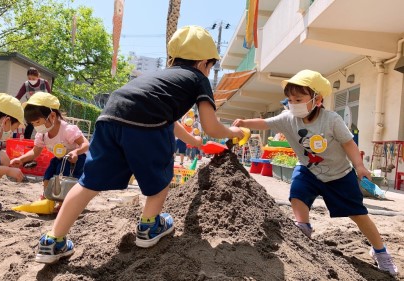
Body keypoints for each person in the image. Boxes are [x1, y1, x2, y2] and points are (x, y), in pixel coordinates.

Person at [33, 25, 245, 264]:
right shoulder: (197, 78)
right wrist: (234, 131)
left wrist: (192, 140)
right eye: (210, 66)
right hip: (146, 123)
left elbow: (165, 117)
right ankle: (149, 226)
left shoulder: (161, 78)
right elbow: (211, 126)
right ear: (204, 62)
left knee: (88, 183)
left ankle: (53, 241)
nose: (208, 71)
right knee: (160, 175)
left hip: (110, 116)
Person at [232, 69, 399, 276]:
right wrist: (243, 123)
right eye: (290, 99)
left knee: (358, 214)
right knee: (297, 192)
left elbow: (348, 144)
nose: (293, 103)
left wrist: (360, 166)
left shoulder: (331, 120)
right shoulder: (288, 118)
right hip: (309, 170)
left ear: (317, 99)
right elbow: (265, 123)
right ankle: (303, 226)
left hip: (339, 175)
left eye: (299, 98)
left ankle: (380, 252)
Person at [10, 92, 89, 201]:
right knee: (48, 175)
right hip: (59, 158)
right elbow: (35, 152)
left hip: (76, 159)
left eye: (38, 122)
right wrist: (21, 159)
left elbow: (85, 144)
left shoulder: (67, 130)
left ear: (52, 116)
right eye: (33, 124)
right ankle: (47, 196)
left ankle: (64, 201)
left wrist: (76, 152)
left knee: (63, 177)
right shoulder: (42, 134)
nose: (36, 126)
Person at [15, 67, 52, 140]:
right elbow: (18, 97)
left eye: (33, 79)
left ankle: (47, 140)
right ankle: (26, 140)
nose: (31, 80)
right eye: (29, 78)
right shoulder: (26, 85)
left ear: (38, 76)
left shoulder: (44, 83)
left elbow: (50, 96)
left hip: (43, 107)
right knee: (30, 125)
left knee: (45, 126)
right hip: (32, 108)